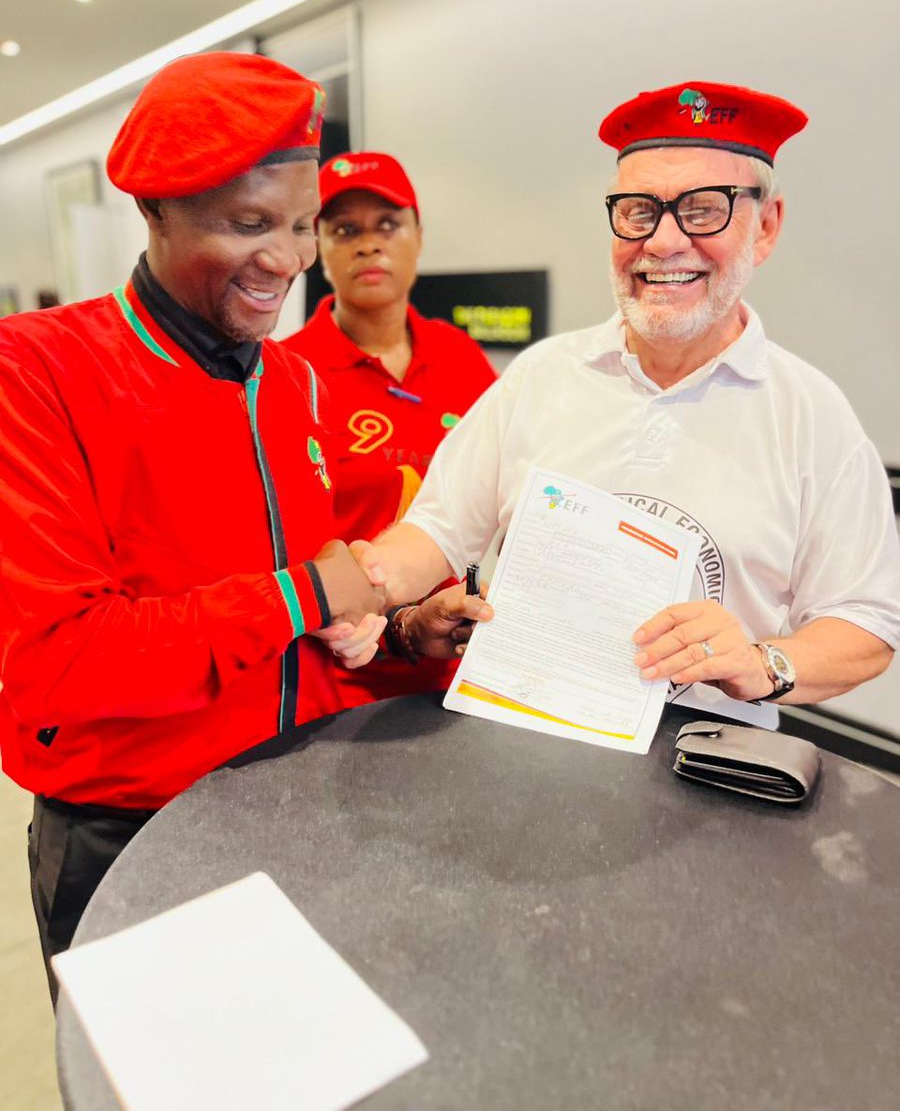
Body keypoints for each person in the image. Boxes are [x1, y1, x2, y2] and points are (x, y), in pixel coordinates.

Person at [0, 52, 385, 999]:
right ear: (155, 211)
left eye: (302, 224)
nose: (289, 260)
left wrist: (379, 624)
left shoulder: (293, 379)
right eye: (248, 224)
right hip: (131, 833)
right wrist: (310, 593)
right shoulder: (36, 369)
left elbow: (299, 592)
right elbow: (59, 658)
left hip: (300, 805)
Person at [337, 81, 900, 722]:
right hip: (516, 739)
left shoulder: (812, 415)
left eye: (703, 210)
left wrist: (762, 663)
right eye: (638, 211)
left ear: (766, 226)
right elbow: (437, 531)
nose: (662, 242)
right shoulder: (542, 376)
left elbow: (865, 620)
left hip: (704, 757)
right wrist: (356, 584)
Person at [282, 151, 496, 705]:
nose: (368, 245)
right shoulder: (287, 373)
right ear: (317, 247)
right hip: (337, 678)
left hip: (456, 669)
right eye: (345, 230)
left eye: (387, 225)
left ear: (418, 237)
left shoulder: (461, 358)